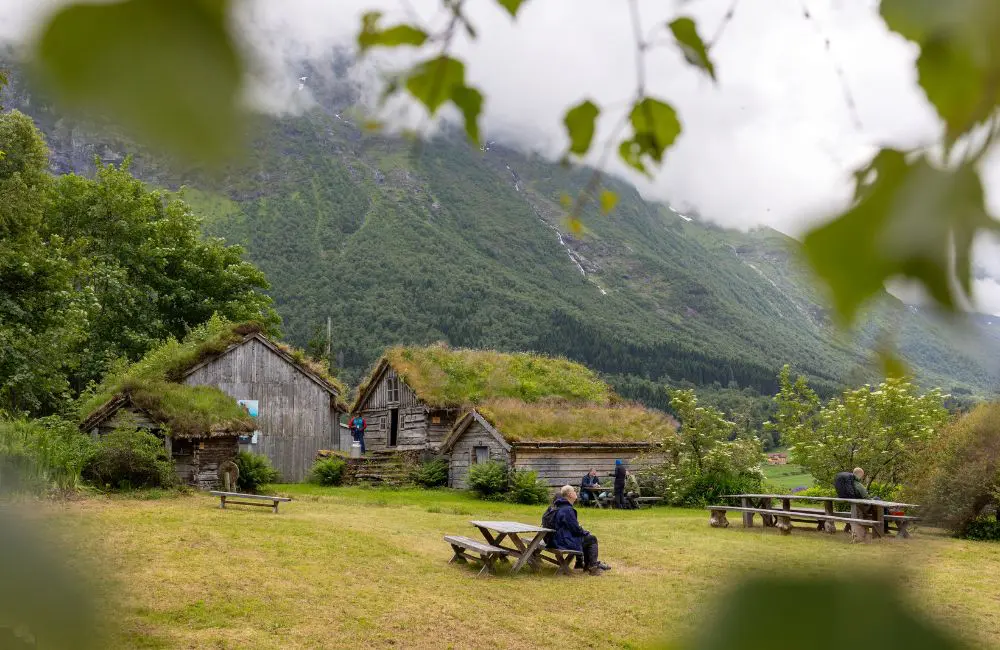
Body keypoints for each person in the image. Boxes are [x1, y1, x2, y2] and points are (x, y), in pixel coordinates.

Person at [548, 485, 610, 575]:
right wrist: (585, 533)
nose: (575, 493)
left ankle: (582, 564)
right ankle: (592, 566)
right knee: (591, 538)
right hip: (561, 541)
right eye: (574, 491)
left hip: (555, 539)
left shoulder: (559, 506)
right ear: (569, 494)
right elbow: (576, 530)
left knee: (586, 538)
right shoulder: (567, 510)